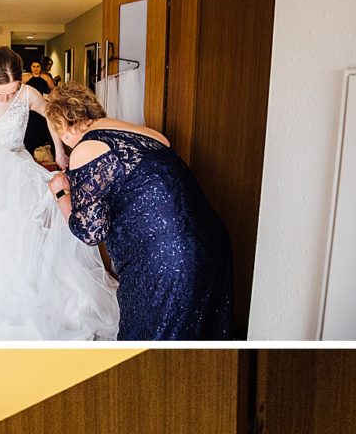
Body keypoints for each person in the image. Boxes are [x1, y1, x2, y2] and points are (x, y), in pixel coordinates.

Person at [0, 46, 119, 341]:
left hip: (17, 167)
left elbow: (50, 115)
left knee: (23, 232)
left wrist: (59, 150)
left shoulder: (28, 94)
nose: (7, 98)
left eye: (12, 91)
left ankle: (27, 297)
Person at [45, 83, 232, 340]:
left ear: (63, 129)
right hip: (213, 244)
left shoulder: (86, 149)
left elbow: (90, 231)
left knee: (145, 345)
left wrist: (61, 193)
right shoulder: (148, 134)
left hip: (166, 262)